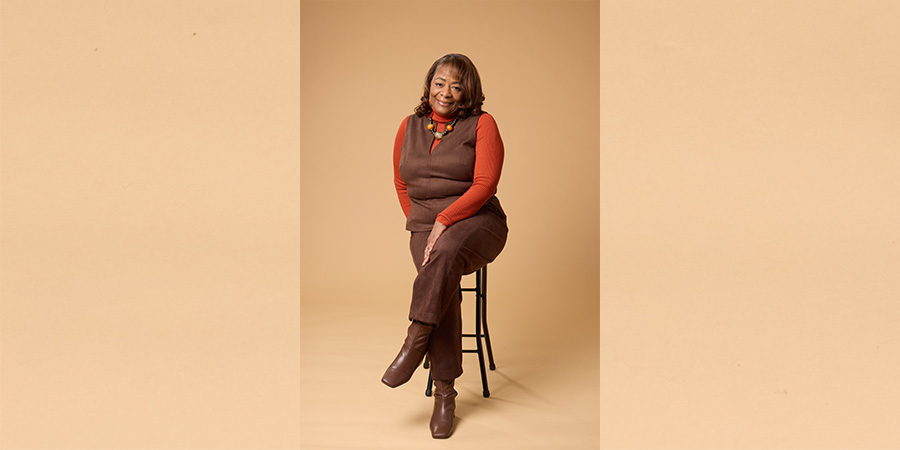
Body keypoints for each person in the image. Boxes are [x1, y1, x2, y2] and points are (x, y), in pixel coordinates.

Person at [381, 53, 508, 439]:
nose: (446, 92)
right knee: (440, 275)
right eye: (440, 82)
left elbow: (485, 184)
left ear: (468, 91)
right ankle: (445, 394)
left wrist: (443, 220)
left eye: (456, 85)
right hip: (425, 225)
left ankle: (414, 342)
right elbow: (402, 184)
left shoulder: (483, 124)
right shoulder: (409, 126)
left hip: (477, 221)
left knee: (446, 253)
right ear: (429, 84)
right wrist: (421, 221)